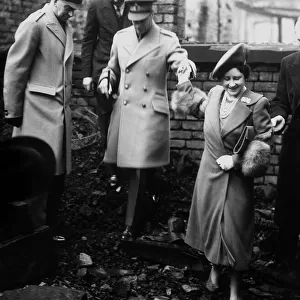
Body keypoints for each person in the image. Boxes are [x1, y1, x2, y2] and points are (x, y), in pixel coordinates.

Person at [177, 43, 273, 300]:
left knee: (235, 232)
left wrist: (237, 159)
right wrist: (183, 81)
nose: (232, 84)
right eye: (227, 78)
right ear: (220, 79)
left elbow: (264, 139)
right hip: (209, 175)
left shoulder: (256, 103)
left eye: (237, 78)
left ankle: (234, 287)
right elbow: (195, 107)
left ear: (246, 76)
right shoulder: (216, 95)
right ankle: (214, 272)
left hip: (235, 179)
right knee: (211, 226)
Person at [98, 0, 196, 240]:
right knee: (121, 167)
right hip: (125, 112)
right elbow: (112, 68)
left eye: (141, 21)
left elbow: (181, 62)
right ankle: (152, 190)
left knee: (139, 171)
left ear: (151, 14)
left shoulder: (166, 39)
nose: (137, 25)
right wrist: (105, 79)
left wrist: (185, 71)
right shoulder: (121, 37)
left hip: (148, 115)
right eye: (133, 21)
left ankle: (132, 225)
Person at [3, 0, 83, 241]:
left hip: (59, 112)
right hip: (37, 113)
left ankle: (50, 224)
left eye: (74, 8)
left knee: (57, 174)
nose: (71, 12)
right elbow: (15, 69)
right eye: (68, 6)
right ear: (56, 0)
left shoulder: (65, 26)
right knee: (36, 172)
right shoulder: (35, 24)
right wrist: (13, 111)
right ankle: (33, 229)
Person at [81, 0, 131, 192]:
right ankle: (112, 170)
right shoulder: (96, 6)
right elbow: (88, 40)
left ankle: (127, 167)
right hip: (103, 70)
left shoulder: (134, 5)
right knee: (107, 121)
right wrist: (86, 74)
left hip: (128, 72)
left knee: (127, 122)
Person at [270, 18, 300, 272]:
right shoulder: (288, 63)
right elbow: (281, 101)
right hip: (297, 140)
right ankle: (286, 255)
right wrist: (279, 114)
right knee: (291, 197)